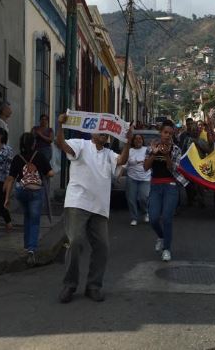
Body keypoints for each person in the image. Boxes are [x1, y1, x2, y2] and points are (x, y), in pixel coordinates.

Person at [55, 113, 132, 304]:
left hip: (100, 207)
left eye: (107, 133)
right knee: (76, 242)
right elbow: (62, 144)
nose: (104, 134)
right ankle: (69, 285)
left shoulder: (109, 154)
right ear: (92, 134)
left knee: (103, 247)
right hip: (78, 202)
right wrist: (60, 127)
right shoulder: (80, 145)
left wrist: (128, 142)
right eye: (101, 131)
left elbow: (121, 161)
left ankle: (94, 285)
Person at [4, 133, 54, 265]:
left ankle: (26, 245)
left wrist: (7, 198)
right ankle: (31, 249)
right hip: (36, 192)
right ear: (33, 144)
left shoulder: (17, 158)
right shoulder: (39, 156)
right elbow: (50, 173)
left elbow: (10, 179)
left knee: (27, 216)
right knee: (34, 221)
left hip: (21, 191)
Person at [144, 120, 189, 262]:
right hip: (155, 185)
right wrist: (153, 153)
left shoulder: (176, 149)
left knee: (167, 218)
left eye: (170, 133)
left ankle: (167, 249)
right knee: (153, 218)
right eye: (165, 132)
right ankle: (161, 236)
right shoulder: (151, 147)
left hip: (171, 185)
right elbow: (145, 167)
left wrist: (166, 155)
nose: (168, 135)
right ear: (160, 133)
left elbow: (174, 168)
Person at [126, 134, 151, 226]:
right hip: (131, 177)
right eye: (136, 139)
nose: (138, 140)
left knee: (143, 198)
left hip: (145, 178)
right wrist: (119, 176)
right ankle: (134, 218)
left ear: (142, 140)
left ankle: (145, 213)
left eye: (140, 138)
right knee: (131, 199)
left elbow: (152, 161)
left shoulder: (147, 150)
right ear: (133, 141)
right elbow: (125, 164)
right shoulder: (129, 151)